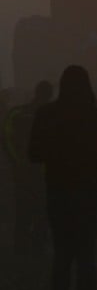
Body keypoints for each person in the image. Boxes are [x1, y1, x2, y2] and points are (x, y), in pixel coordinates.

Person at [28, 66, 97, 290]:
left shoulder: (46, 115)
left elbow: (33, 154)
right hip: (90, 192)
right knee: (87, 253)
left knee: (62, 253)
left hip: (58, 191)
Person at [2, 81, 53, 254]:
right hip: (43, 172)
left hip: (22, 171)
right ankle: (37, 247)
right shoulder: (52, 115)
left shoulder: (17, 113)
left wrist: (16, 161)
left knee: (23, 210)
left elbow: (6, 140)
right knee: (42, 210)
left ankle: (21, 247)